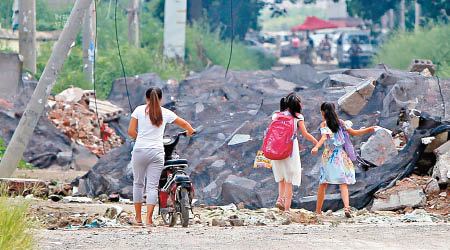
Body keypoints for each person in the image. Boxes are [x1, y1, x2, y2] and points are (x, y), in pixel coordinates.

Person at [128, 87, 195, 226]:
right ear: (161, 99)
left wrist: (139, 139)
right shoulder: (165, 112)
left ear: (147, 98)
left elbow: (130, 131)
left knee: (138, 184)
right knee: (152, 187)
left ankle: (138, 219)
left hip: (140, 150)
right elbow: (184, 124)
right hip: (157, 152)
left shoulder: (138, 110)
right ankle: (149, 220)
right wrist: (190, 131)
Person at [311, 102, 375, 217]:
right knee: (343, 183)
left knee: (323, 182)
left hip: (329, 156)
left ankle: (318, 210)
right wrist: (369, 129)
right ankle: (346, 208)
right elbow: (354, 132)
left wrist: (316, 147)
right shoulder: (341, 123)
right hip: (341, 155)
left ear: (322, 112)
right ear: (334, 111)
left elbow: (324, 138)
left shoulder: (324, 124)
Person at [272, 93, 318, 212]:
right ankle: (287, 209)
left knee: (281, 177)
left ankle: (279, 199)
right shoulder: (298, 117)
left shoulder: (276, 115)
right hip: (290, 149)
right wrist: (314, 140)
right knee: (289, 180)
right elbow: (305, 134)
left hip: (276, 149)